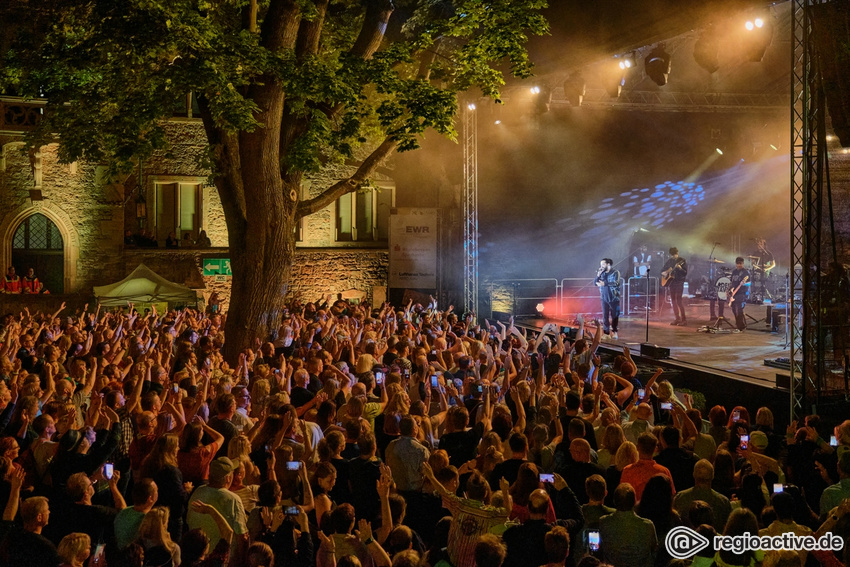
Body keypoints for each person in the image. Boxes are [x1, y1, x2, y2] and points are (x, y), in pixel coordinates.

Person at [598, 483, 658, 567]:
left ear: (614, 501)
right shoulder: (648, 525)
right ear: (634, 501)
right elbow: (654, 551)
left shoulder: (603, 522)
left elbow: (599, 549)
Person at [594, 258, 621, 340]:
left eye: (603, 264)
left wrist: (604, 283)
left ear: (608, 264)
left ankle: (614, 332)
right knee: (605, 316)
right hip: (604, 297)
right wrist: (598, 275)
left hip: (614, 297)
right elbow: (595, 283)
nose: (601, 266)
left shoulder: (615, 272)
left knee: (614, 316)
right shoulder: (602, 273)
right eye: (600, 264)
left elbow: (616, 283)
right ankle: (606, 333)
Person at [661, 248, 688, 326]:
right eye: (672, 255)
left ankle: (684, 320)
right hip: (672, 283)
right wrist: (666, 272)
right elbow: (662, 271)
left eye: (675, 254)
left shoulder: (682, 260)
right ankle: (677, 318)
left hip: (679, 282)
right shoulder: (669, 261)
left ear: (678, 253)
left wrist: (680, 268)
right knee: (673, 301)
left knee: (679, 301)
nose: (674, 256)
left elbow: (685, 273)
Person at [728, 257, 750, 331]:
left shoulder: (745, 273)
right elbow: (731, 282)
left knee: (738, 308)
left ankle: (741, 327)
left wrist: (744, 284)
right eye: (738, 263)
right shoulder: (734, 272)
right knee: (734, 309)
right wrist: (728, 290)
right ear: (736, 264)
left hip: (742, 293)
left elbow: (749, 283)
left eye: (741, 264)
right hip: (734, 293)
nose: (739, 265)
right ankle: (739, 324)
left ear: (743, 264)